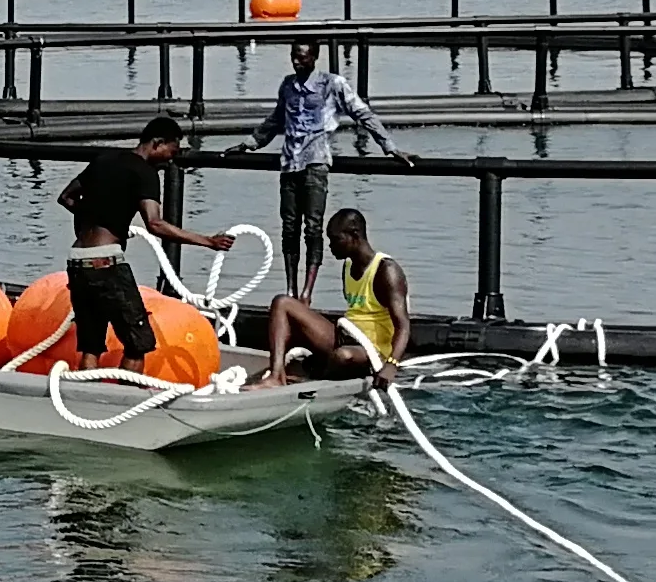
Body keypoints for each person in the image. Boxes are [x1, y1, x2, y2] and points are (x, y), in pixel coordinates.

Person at [54, 115, 234, 368]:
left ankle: (88, 400)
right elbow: (155, 223)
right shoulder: (145, 173)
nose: (171, 160)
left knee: (91, 345)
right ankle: (126, 401)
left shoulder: (103, 159)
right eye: (171, 152)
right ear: (157, 143)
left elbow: (66, 198)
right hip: (106, 263)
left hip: (76, 262)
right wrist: (207, 241)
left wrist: (102, 219)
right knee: (138, 343)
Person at [249, 40, 400, 296]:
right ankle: (291, 287)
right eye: (294, 56)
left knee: (313, 227)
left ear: (315, 58)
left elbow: (362, 113)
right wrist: (251, 143)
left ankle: (308, 290)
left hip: (315, 163)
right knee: (289, 227)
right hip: (289, 164)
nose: (297, 62)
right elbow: (276, 119)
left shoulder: (332, 84)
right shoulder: (287, 85)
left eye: (303, 57)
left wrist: (389, 146)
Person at [255, 207, 412, 385]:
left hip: (371, 350)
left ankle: (311, 373)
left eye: (336, 240)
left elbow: (403, 326)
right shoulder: (348, 266)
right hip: (344, 335)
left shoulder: (387, 271)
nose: (330, 246)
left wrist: (391, 364)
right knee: (282, 303)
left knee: (342, 356)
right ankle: (276, 376)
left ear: (354, 236)